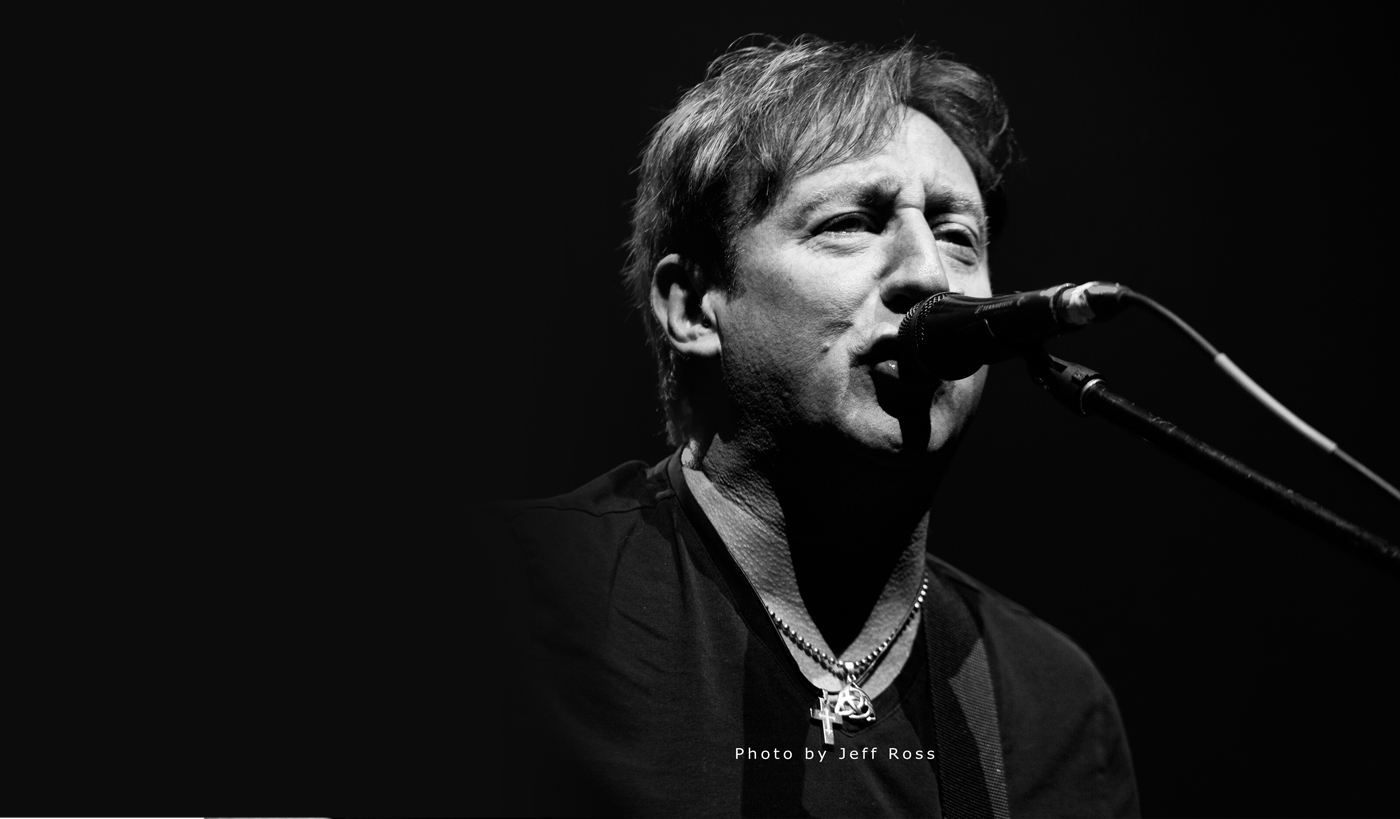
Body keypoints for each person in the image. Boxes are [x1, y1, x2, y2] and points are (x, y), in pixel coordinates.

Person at [480, 35, 1140, 817]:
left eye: (957, 235)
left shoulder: (1050, 705)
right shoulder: (526, 601)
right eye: (852, 222)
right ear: (693, 308)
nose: (929, 274)